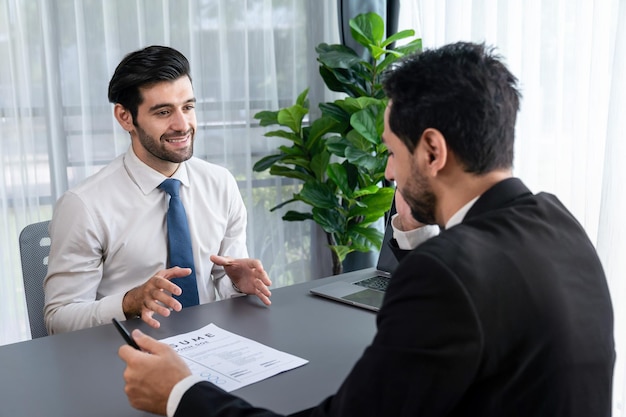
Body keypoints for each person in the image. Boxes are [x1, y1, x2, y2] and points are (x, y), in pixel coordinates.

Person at [118, 42, 615, 416]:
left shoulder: (448, 277)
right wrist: (416, 231)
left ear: (433, 151)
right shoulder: (557, 222)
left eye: (393, 155)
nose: (389, 175)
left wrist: (180, 393)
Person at [44, 45, 272, 334]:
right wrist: (129, 303)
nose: (182, 125)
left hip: (210, 348)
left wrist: (238, 283)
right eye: (164, 112)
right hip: (126, 357)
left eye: (188, 107)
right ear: (125, 117)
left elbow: (222, 282)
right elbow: (58, 321)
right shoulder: (84, 205)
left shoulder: (220, 184)